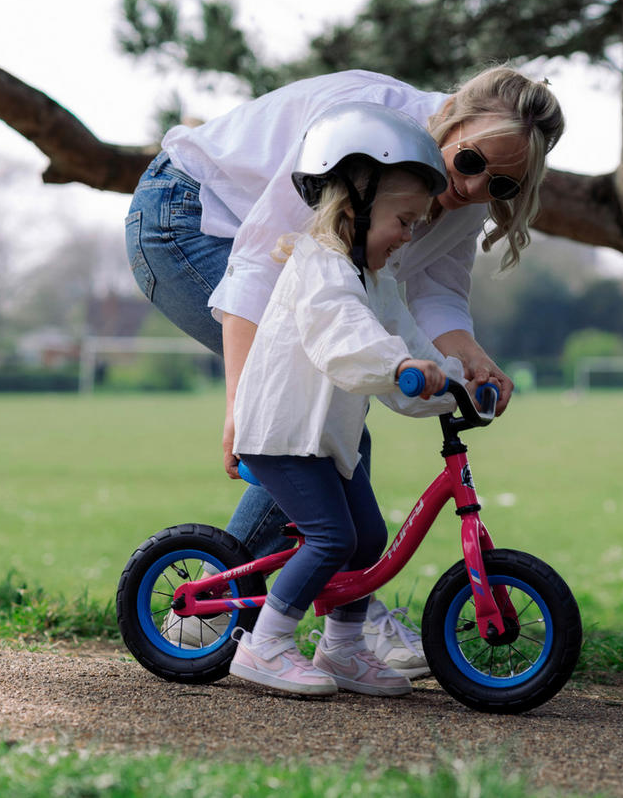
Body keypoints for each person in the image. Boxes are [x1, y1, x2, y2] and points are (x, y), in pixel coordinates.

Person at [125, 65, 564, 675]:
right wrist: (243, 405)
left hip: (293, 263)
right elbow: (258, 265)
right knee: (307, 426)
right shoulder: (361, 129)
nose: (473, 188)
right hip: (189, 213)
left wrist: (469, 360)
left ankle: (343, 617)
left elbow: (435, 290)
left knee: (334, 426)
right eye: (470, 163)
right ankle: (220, 622)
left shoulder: (465, 186)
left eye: (503, 185)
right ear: (453, 118)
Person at [228, 103, 464, 696]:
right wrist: (398, 367)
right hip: (285, 435)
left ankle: (343, 647)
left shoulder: (373, 281)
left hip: (327, 440)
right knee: (331, 538)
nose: (408, 236)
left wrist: (458, 382)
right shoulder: (322, 269)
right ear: (356, 206)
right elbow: (345, 336)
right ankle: (264, 644)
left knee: (367, 538)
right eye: (403, 221)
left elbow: (407, 341)